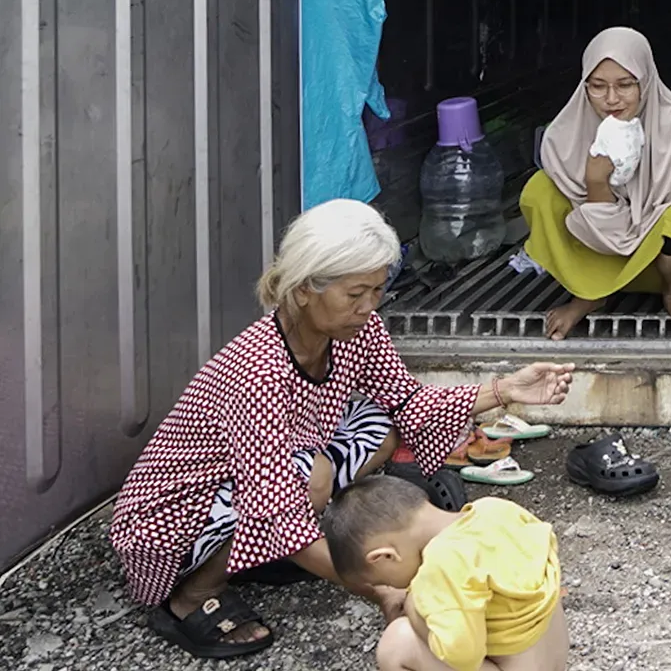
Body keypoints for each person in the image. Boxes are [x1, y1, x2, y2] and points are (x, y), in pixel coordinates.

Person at [108, 199, 575, 660]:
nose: (368, 307)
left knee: (385, 421)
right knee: (293, 480)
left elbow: (407, 400)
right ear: (304, 288)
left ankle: (289, 546)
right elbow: (272, 508)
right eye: (355, 294)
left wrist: (505, 389)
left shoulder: (358, 330)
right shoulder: (257, 370)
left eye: (376, 291)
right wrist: (384, 593)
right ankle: (191, 596)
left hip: (274, 477)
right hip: (174, 518)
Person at [520, 26, 671, 341]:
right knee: (539, 190)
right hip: (594, 251)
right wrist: (595, 181)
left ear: (646, 81)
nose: (611, 99)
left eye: (625, 85)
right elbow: (596, 224)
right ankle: (589, 293)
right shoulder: (568, 131)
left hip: (660, 264)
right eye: (597, 86)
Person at [322, 475, 567, 671]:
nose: (394, 588)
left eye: (384, 581)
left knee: (397, 643)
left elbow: (463, 656)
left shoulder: (441, 566)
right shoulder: (494, 509)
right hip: (553, 659)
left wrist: (414, 609)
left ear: (385, 556)